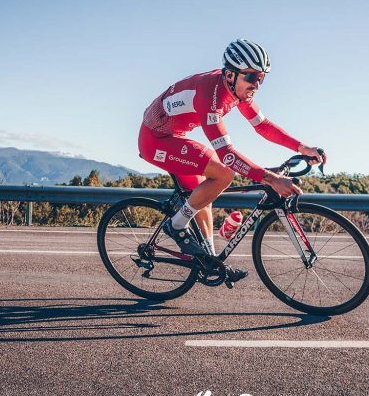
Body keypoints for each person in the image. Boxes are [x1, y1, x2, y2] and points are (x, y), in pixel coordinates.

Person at [138, 38, 325, 281]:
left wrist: (303, 147)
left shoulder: (238, 90)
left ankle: (209, 260)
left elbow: (263, 127)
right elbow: (227, 155)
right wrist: (271, 179)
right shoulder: (210, 96)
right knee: (224, 173)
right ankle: (175, 226)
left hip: (175, 135)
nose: (256, 84)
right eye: (251, 77)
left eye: (261, 77)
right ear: (229, 74)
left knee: (204, 195)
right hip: (155, 139)